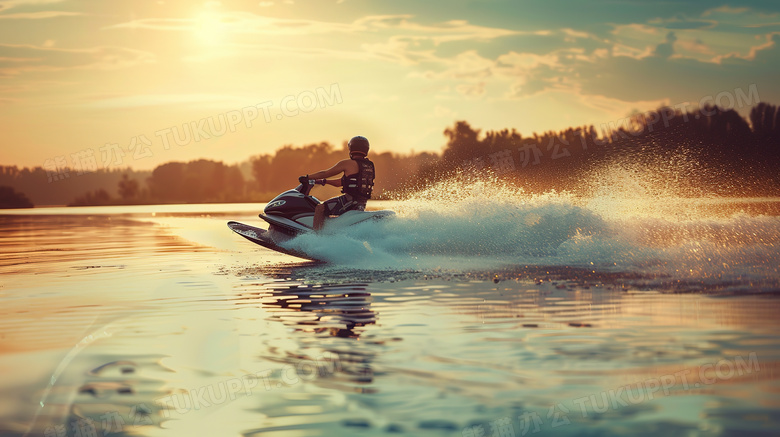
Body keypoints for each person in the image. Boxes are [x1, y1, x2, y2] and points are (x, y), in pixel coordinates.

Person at [299, 135, 375, 231]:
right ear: (366, 149)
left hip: (349, 201)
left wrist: (307, 177)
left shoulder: (347, 163)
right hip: (361, 203)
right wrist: (324, 182)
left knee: (320, 208)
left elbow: (325, 173)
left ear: (351, 148)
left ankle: (316, 236)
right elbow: (341, 182)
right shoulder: (369, 166)